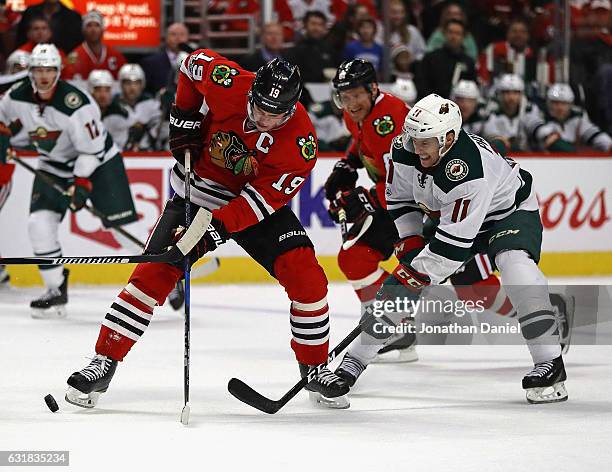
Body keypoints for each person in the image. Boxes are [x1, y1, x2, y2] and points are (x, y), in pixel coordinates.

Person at [64, 52, 350, 410]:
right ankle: (103, 361)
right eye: (258, 107)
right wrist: (184, 116)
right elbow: (189, 64)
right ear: (252, 93)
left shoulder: (300, 144)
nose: (262, 119)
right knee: (154, 273)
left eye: (274, 114)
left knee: (307, 277)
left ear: (291, 109)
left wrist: (213, 230)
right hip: (196, 190)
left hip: (252, 205)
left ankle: (315, 367)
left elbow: (255, 204)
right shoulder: (230, 81)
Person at [334, 93, 569, 404]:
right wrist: (410, 244)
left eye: (426, 141)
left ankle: (550, 362)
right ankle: (350, 365)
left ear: (448, 137)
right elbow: (401, 201)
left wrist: (409, 276)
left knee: (515, 266)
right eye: (414, 139)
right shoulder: (405, 148)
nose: (418, 148)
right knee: (476, 292)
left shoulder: (468, 170)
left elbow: (448, 252)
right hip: (452, 215)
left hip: (507, 213)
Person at [0, 44, 137, 318]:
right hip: (53, 165)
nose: (43, 76)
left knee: (120, 229)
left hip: (100, 163)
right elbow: (4, 119)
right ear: (30, 72)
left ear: (58, 72)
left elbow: (92, 150)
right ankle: (55, 290)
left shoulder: (77, 104)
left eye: (49, 69)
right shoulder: (16, 96)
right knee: (38, 225)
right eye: (38, 69)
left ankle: (166, 279)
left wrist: (82, 183)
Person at [325, 59, 413, 361]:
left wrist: (366, 200)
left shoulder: (390, 119)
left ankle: (545, 320)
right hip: (395, 203)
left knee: (475, 284)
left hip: (423, 207)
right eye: (343, 97)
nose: (349, 104)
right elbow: (362, 143)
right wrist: (348, 163)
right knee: (354, 258)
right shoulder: (360, 114)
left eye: (355, 95)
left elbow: (405, 183)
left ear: (373, 89)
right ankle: (397, 326)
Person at [483, 74, 559, 153]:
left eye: (515, 92)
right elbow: (489, 131)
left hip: (527, 158)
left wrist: (546, 135)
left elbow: (535, 124)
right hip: (499, 156)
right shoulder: (491, 110)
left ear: (521, 94)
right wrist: (497, 139)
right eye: (506, 92)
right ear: (500, 94)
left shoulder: (528, 109)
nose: (511, 97)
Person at [477, 17, 554, 87]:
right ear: (507, 34)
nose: (518, 35)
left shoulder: (535, 55)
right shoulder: (494, 49)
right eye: (514, 31)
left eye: (522, 32)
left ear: (528, 35)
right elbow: (483, 76)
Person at [415, 18, 477, 100]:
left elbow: (472, 89)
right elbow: (421, 85)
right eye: (450, 32)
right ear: (444, 34)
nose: (453, 36)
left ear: (463, 36)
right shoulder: (431, 58)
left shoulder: (468, 62)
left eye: (458, 33)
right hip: (432, 106)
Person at [540, 83, 612, 153]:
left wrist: (608, 145)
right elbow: (549, 140)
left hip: (575, 162)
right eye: (555, 103)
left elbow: (595, 135)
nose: (560, 108)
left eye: (564, 103)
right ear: (548, 103)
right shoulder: (542, 119)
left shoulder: (578, 119)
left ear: (570, 105)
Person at [65, 10, 127, 81]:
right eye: (89, 25)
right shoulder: (74, 57)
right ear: (83, 30)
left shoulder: (116, 56)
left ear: (103, 29)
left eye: (97, 25)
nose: (93, 29)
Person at [117, 64, 162, 151]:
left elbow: (160, 132)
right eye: (128, 83)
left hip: (149, 154)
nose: (132, 88)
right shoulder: (113, 106)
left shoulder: (152, 104)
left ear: (142, 84)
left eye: (136, 83)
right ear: (121, 84)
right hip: (120, 153)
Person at [287, 11, 339, 82]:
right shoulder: (295, 51)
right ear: (305, 25)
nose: (316, 28)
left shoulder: (331, 50)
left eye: (320, 25)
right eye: (313, 24)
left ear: (324, 27)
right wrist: (321, 75)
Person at [16, 0, 82, 54]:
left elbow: (77, 48)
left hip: (63, 62)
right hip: (29, 57)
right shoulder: (30, 13)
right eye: (36, 29)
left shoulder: (73, 17)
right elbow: (20, 40)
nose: (40, 32)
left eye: (44, 28)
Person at [140, 23, 189, 95]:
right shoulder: (151, 63)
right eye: (173, 34)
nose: (178, 38)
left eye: (182, 34)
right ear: (166, 38)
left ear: (188, 37)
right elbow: (145, 91)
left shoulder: (196, 61)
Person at [87, 69, 130, 150]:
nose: (103, 95)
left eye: (107, 90)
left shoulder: (119, 114)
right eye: (98, 90)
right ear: (90, 91)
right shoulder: (81, 113)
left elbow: (119, 147)